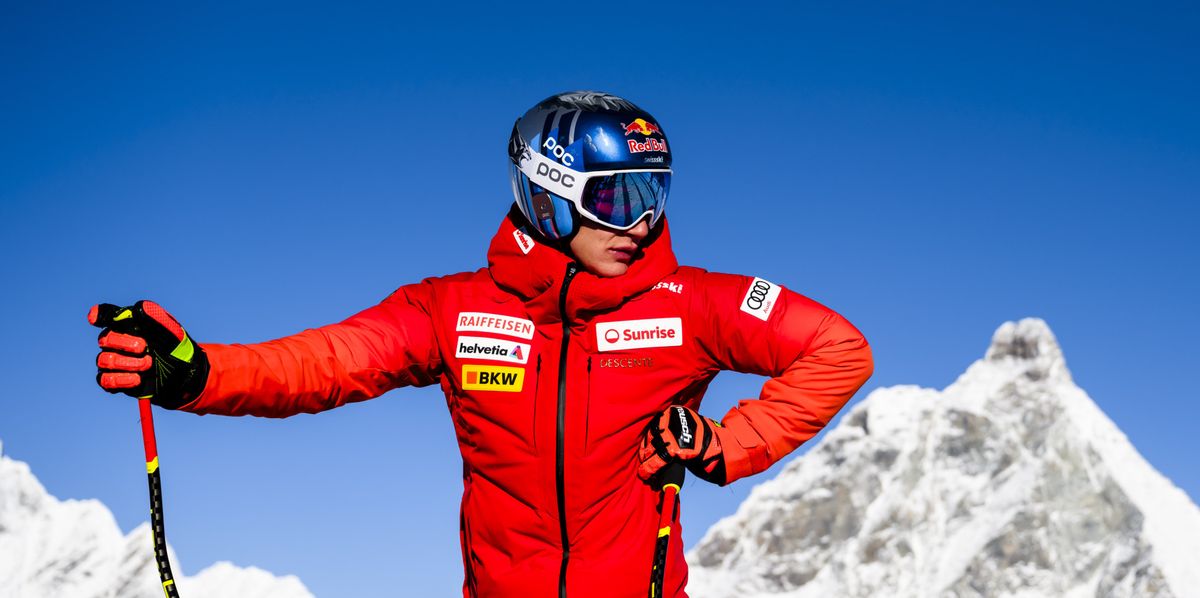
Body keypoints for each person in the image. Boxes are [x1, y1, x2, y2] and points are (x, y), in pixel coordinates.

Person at [88, 91, 874, 598]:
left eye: (654, 192)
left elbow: (838, 347)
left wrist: (722, 444)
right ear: (545, 189)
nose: (640, 221)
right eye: (615, 195)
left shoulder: (694, 304)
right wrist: (196, 375)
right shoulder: (454, 311)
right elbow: (326, 362)